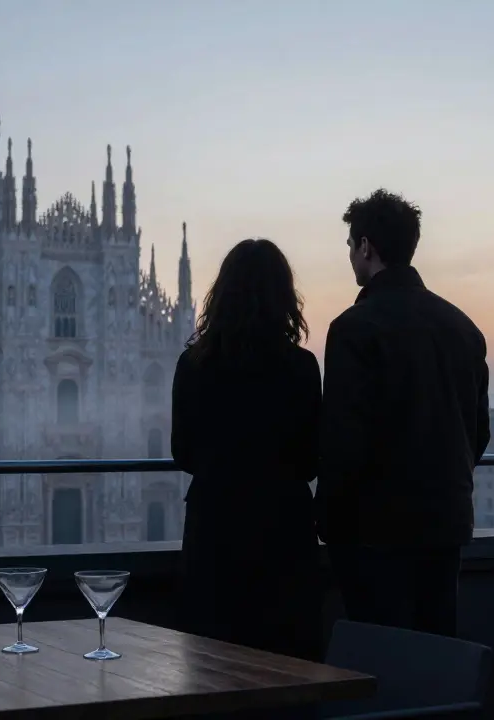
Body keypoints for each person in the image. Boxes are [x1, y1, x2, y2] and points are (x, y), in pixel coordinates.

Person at [317, 189, 490, 638]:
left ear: (365, 247)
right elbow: (479, 434)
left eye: (351, 247)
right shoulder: (462, 327)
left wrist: (329, 526)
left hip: (373, 534)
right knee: (437, 652)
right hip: (446, 526)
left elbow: (343, 442)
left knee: (383, 658)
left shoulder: (353, 329)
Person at [172, 238, 324, 661]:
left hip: (215, 529)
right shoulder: (302, 367)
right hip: (284, 532)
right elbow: (313, 460)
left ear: (220, 296)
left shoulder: (194, 364)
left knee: (213, 662)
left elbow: (182, 453)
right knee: (287, 661)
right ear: (284, 298)